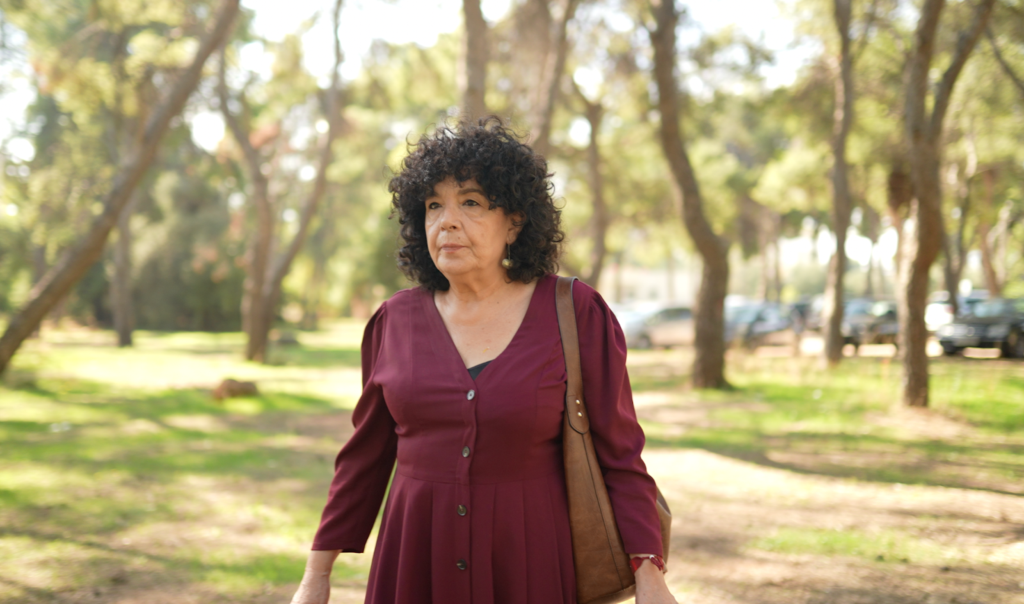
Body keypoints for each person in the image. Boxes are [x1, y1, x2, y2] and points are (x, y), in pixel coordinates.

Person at [290, 118, 676, 604]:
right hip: (414, 562)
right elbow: (364, 458)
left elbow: (619, 454)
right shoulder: (394, 321)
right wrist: (316, 576)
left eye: (470, 202)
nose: (447, 221)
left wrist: (649, 574)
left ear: (514, 221)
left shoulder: (575, 312)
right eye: (434, 206)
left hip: (529, 563)